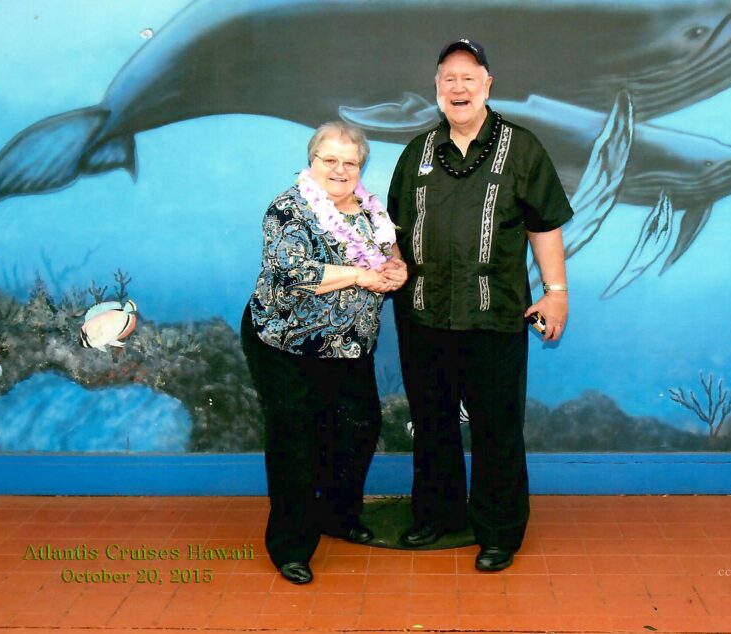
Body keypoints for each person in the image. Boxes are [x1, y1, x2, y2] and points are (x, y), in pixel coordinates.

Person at [387, 40, 573, 572]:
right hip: (423, 316)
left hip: (496, 316)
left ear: (488, 84)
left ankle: (498, 532)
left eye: (469, 77)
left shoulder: (523, 148)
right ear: (437, 88)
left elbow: (545, 224)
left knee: (496, 428)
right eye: (449, 78)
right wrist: (388, 266)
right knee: (433, 422)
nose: (459, 87)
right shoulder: (416, 153)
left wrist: (556, 294)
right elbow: (393, 230)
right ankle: (440, 517)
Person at [241, 121, 407, 584]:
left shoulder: (372, 210)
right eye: (328, 159)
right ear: (311, 161)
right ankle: (290, 546)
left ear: (361, 167)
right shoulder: (287, 208)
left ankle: (337, 515)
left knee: (359, 426)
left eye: (349, 162)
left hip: (349, 344)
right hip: (284, 340)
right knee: (296, 438)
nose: (339, 169)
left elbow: (390, 251)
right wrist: (359, 276)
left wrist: (396, 269)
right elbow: (298, 273)